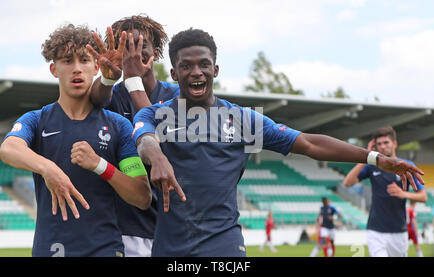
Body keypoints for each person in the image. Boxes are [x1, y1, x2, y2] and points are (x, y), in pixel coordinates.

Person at [131, 28, 424, 257]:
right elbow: (144, 139)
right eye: (187, 66)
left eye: (204, 64)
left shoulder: (243, 120)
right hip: (169, 247)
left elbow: (309, 143)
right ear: (173, 73)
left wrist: (374, 158)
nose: (196, 72)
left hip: (224, 245)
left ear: (215, 70)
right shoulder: (157, 114)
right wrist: (156, 156)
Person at [0, 24, 151, 257]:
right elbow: (8, 148)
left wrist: (101, 166)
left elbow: (142, 197)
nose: (77, 69)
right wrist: (49, 168)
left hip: (105, 249)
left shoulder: (119, 125)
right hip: (49, 249)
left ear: (97, 66)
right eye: (67, 61)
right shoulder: (37, 120)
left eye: (84, 60)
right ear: (53, 69)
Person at [86, 15, 179, 257]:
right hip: (123, 228)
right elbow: (94, 99)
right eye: (125, 46)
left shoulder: (177, 95)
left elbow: (163, 139)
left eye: (140, 46)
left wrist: (134, 81)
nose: (132, 55)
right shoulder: (109, 95)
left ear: (156, 53)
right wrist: (108, 77)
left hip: (175, 225)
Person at [344, 127, 427, 257]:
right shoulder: (372, 166)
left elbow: (423, 197)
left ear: (394, 144)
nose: (382, 146)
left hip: (399, 231)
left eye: (386, 142)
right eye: (379, 144)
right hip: (375, 230)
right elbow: (348, 182)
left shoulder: (406, 165)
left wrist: (403, 193)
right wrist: (367, 156)